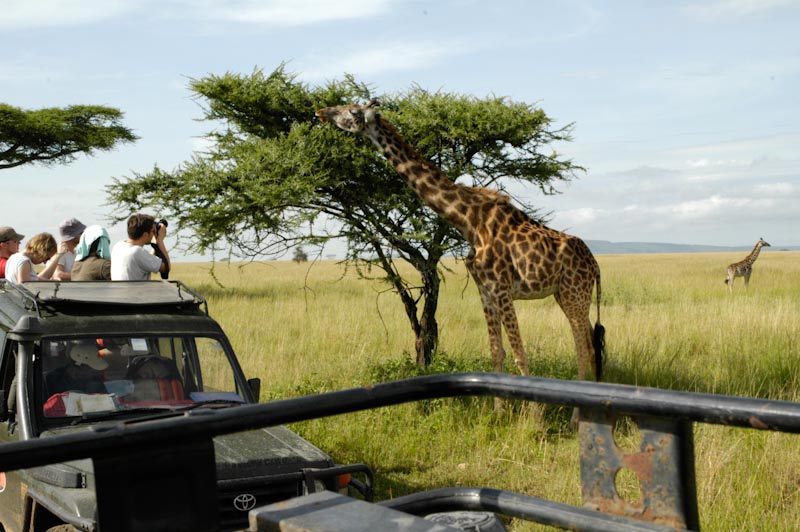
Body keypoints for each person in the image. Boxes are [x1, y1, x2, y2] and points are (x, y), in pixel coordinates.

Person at [110, 214, 171, 281]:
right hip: (136, 291)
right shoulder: (137, 252)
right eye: (153, 231)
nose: (154, 234)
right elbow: (166, 267)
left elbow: (145, 260)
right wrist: (160, 240)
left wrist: (155, 244)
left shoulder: (118, 246)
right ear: (145, 235)